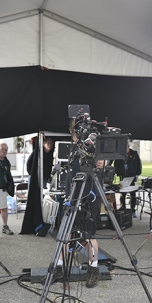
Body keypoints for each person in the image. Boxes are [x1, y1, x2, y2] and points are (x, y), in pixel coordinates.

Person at [49, 121, 105, 289]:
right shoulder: (75, 149)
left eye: (77, 133)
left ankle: (93, 269)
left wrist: (101, 162)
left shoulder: (95, 147)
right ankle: (59, 267)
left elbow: (103, 164)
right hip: (73, 196)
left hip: (90, 197)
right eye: (74, 133)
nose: (75, 136)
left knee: (89, 235)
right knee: (66, 233)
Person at [114, 141, 142, 218]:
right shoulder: (119, 155)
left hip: (133, 177)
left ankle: (132, 210)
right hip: (123, 177)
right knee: (123, 193)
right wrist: (118, 173)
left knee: (133, 194)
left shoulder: (134, 154)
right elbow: (116, 165)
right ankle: (123, 207)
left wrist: (137, 173)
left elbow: (139, 165)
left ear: (128, 146)